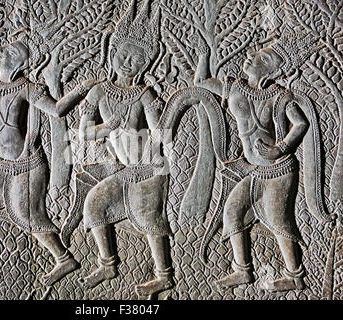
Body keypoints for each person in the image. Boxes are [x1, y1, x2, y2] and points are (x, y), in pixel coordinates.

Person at [0, 33, 99, 286]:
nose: (1, 52)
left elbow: (57, 109)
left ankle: (63, 259)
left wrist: (80, 90)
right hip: (1, 163)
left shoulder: (27, 89)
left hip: (27, 165)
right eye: (3, 49)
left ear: (19, 65)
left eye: (9, 52)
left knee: (27, 215)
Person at [185, 31, 333, 291]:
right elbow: (201, 81)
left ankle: (295, 275)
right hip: (254, 168)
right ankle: (243, 271)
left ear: (270, 71)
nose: (250, 57)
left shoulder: (278, 96)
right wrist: (203, 53)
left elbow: (301, 123)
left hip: (279, 169)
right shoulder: (233, 87)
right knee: (232, 212)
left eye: (260, 58)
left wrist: (281, 147)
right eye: (253, 54)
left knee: (278, 220)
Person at [73, 0, 174, 298]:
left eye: (137, 58)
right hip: (126, 168)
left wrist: (157, 120)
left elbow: (160, 132)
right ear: (112, 53)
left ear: (145, 66)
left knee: (147, 218)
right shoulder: (98, 91)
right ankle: (108, 264)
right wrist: (108, 127)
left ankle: (163, 275)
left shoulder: (143, 93)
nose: (128, 61)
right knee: (94, 204)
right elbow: (84, 134)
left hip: (150, 167)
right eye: (124, 53)